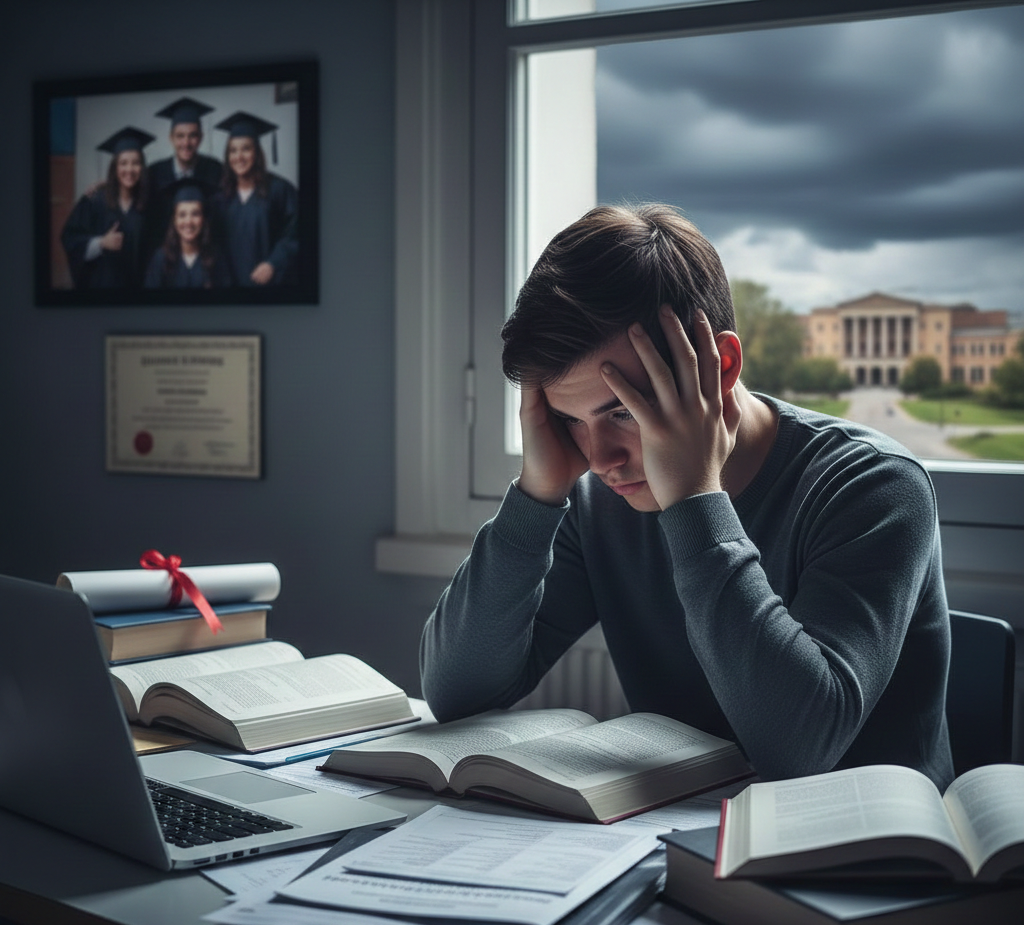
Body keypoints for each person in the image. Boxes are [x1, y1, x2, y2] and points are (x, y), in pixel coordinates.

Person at [420, 203, 955, 789]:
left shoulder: (876, 486)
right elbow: (458, 695)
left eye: (624, 411)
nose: (600, 459)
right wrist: (537, 495)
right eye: (570, 419)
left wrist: (694, 501)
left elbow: (797, 752)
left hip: (860, 834)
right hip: (680, 827)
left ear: (720, 366)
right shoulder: (602, 494)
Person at [211, 111, 298, 287]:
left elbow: (295, 232)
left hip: (271, 286)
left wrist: (274, 262)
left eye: (246, 149)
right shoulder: (221, 197)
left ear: (257, 152)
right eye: (233, 150)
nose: (239, 157)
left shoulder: (280, 189)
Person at [61, 127, 154, 288]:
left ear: (142, 167)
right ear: (115, 167)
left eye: (136, 163)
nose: (129, 169)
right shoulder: (95, 200)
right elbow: (70, 239)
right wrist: (101, 243)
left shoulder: (149, 204)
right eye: (123, 163)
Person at [146, 97, 222, 259]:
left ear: (200, 137)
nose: (186, 143)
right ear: (171, 138)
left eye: (192, 135)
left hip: (205, 259)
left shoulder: (216, 170)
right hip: (165, 260)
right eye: (180, 136)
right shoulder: (153, 173)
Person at [143, 183, 229, 289]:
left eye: (195, 214)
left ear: (203, 219)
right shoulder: (160, 259)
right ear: (174, 221)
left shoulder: (216, 258)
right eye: (182, 215)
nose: (188, 222)